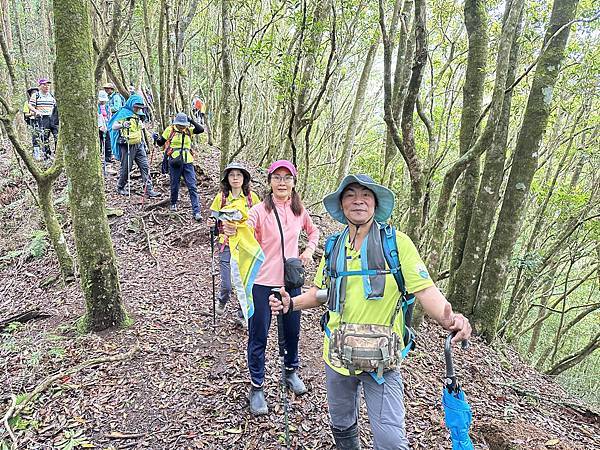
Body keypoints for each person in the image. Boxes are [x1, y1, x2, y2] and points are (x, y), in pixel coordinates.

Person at [269, 174, 472, 450]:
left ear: (376, 204)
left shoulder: (397, 244)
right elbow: (321, 294)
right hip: (337, 356)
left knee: (390, 441)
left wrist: (452, 319)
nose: (358, 201)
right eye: (350, 194)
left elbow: (426, 291)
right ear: (341, 205)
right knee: (341, 424)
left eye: (366, 195)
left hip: (382, 362)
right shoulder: (333, 247)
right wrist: (291, 303)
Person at [223, 160, 319, 416]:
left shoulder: (299, 211)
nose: (282, 182)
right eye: (277, 177)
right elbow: (242, 227)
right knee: (259, 335)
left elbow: (314, 232)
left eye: (287, 178)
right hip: (262, 283)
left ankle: (290, 370)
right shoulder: (259, 210)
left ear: (294, 183)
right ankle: (256, 386)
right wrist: (231, 228)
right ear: (269, 182)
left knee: (292, 331)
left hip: (290, 283)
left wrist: (307, 251)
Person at [209, 162, 261, 327]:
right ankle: (222, 300)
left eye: (239, 175)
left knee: (245, 281)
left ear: (244, 178)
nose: (236, 178)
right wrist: (212, 222)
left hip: (246, 245)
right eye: (232, 175)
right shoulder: (221, 197)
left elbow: (260, 220)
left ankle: (241, 313)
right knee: (227, 284)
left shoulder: (252, 198)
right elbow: (213, 216)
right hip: (226, 243)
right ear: (227, 178)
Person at [153, 113, 203, 220]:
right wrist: (156, 138)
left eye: (183, 124)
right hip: (174, 160)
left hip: (188, 161)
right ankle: (173, 203)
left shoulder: (189, 130)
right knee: (174, 184)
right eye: (180, 125)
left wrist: (191, 120)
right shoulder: (170, 130)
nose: (182, 127)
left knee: (192, 185)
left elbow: (201, 129)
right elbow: (161, 143)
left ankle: (196, 211)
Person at [108, 94, 160, 198]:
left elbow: (141, 128)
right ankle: (120, 187)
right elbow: (114, 126)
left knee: (145, 166)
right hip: (127, 145)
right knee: (126, 168)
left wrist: (152, 136)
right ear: (132, 104)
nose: (137, 109)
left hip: (139, 144)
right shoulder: (123, 113)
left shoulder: (137, 115)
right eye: (136, 107)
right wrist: (123, 125)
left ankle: (148, 189)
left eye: (139, 107)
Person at [28, 78, 59, 159]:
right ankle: (47, 156)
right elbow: (30, 105)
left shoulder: (51, 96)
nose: (46, 86)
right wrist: (36, 111)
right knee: (45, 138)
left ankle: (58, 155)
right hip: (43, 118)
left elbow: (55, 106)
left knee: (57, 136)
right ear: (40, 86)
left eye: (48, 84)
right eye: (44, 84)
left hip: (53, 118)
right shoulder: (36, 95)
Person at [97, 90, 116, 175]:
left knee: (108, 146)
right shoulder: (95, 106)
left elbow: (110, 116)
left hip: (107, 127)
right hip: (98, 128)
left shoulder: (107, 106)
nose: (102, 101)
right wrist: (100, 125)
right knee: (98, 146)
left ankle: (108, 165)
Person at [23, 87, 41, 160]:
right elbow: (26, 114)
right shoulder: (27, 103)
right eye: (33, 93)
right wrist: (32, 114)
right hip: (33, 121)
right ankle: (37, 155)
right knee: (35, 137)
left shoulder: (41, 101)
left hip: (42, 120)